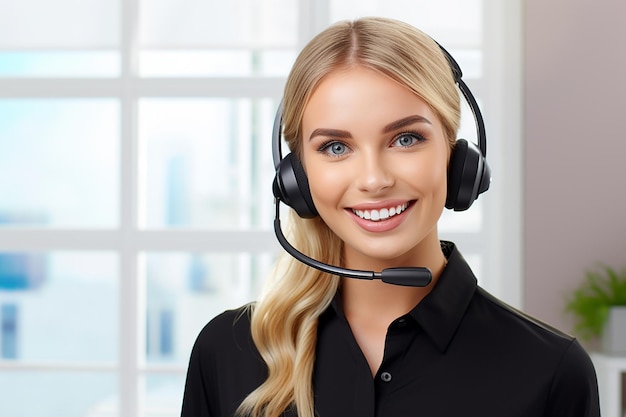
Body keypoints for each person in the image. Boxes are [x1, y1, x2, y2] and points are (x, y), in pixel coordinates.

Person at [181, 17, 600, 417]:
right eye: (335, 147)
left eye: (405, 139)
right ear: (298, 179)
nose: (374, 179)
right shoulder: (229, 351)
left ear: (458, 161)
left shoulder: (550, 372)